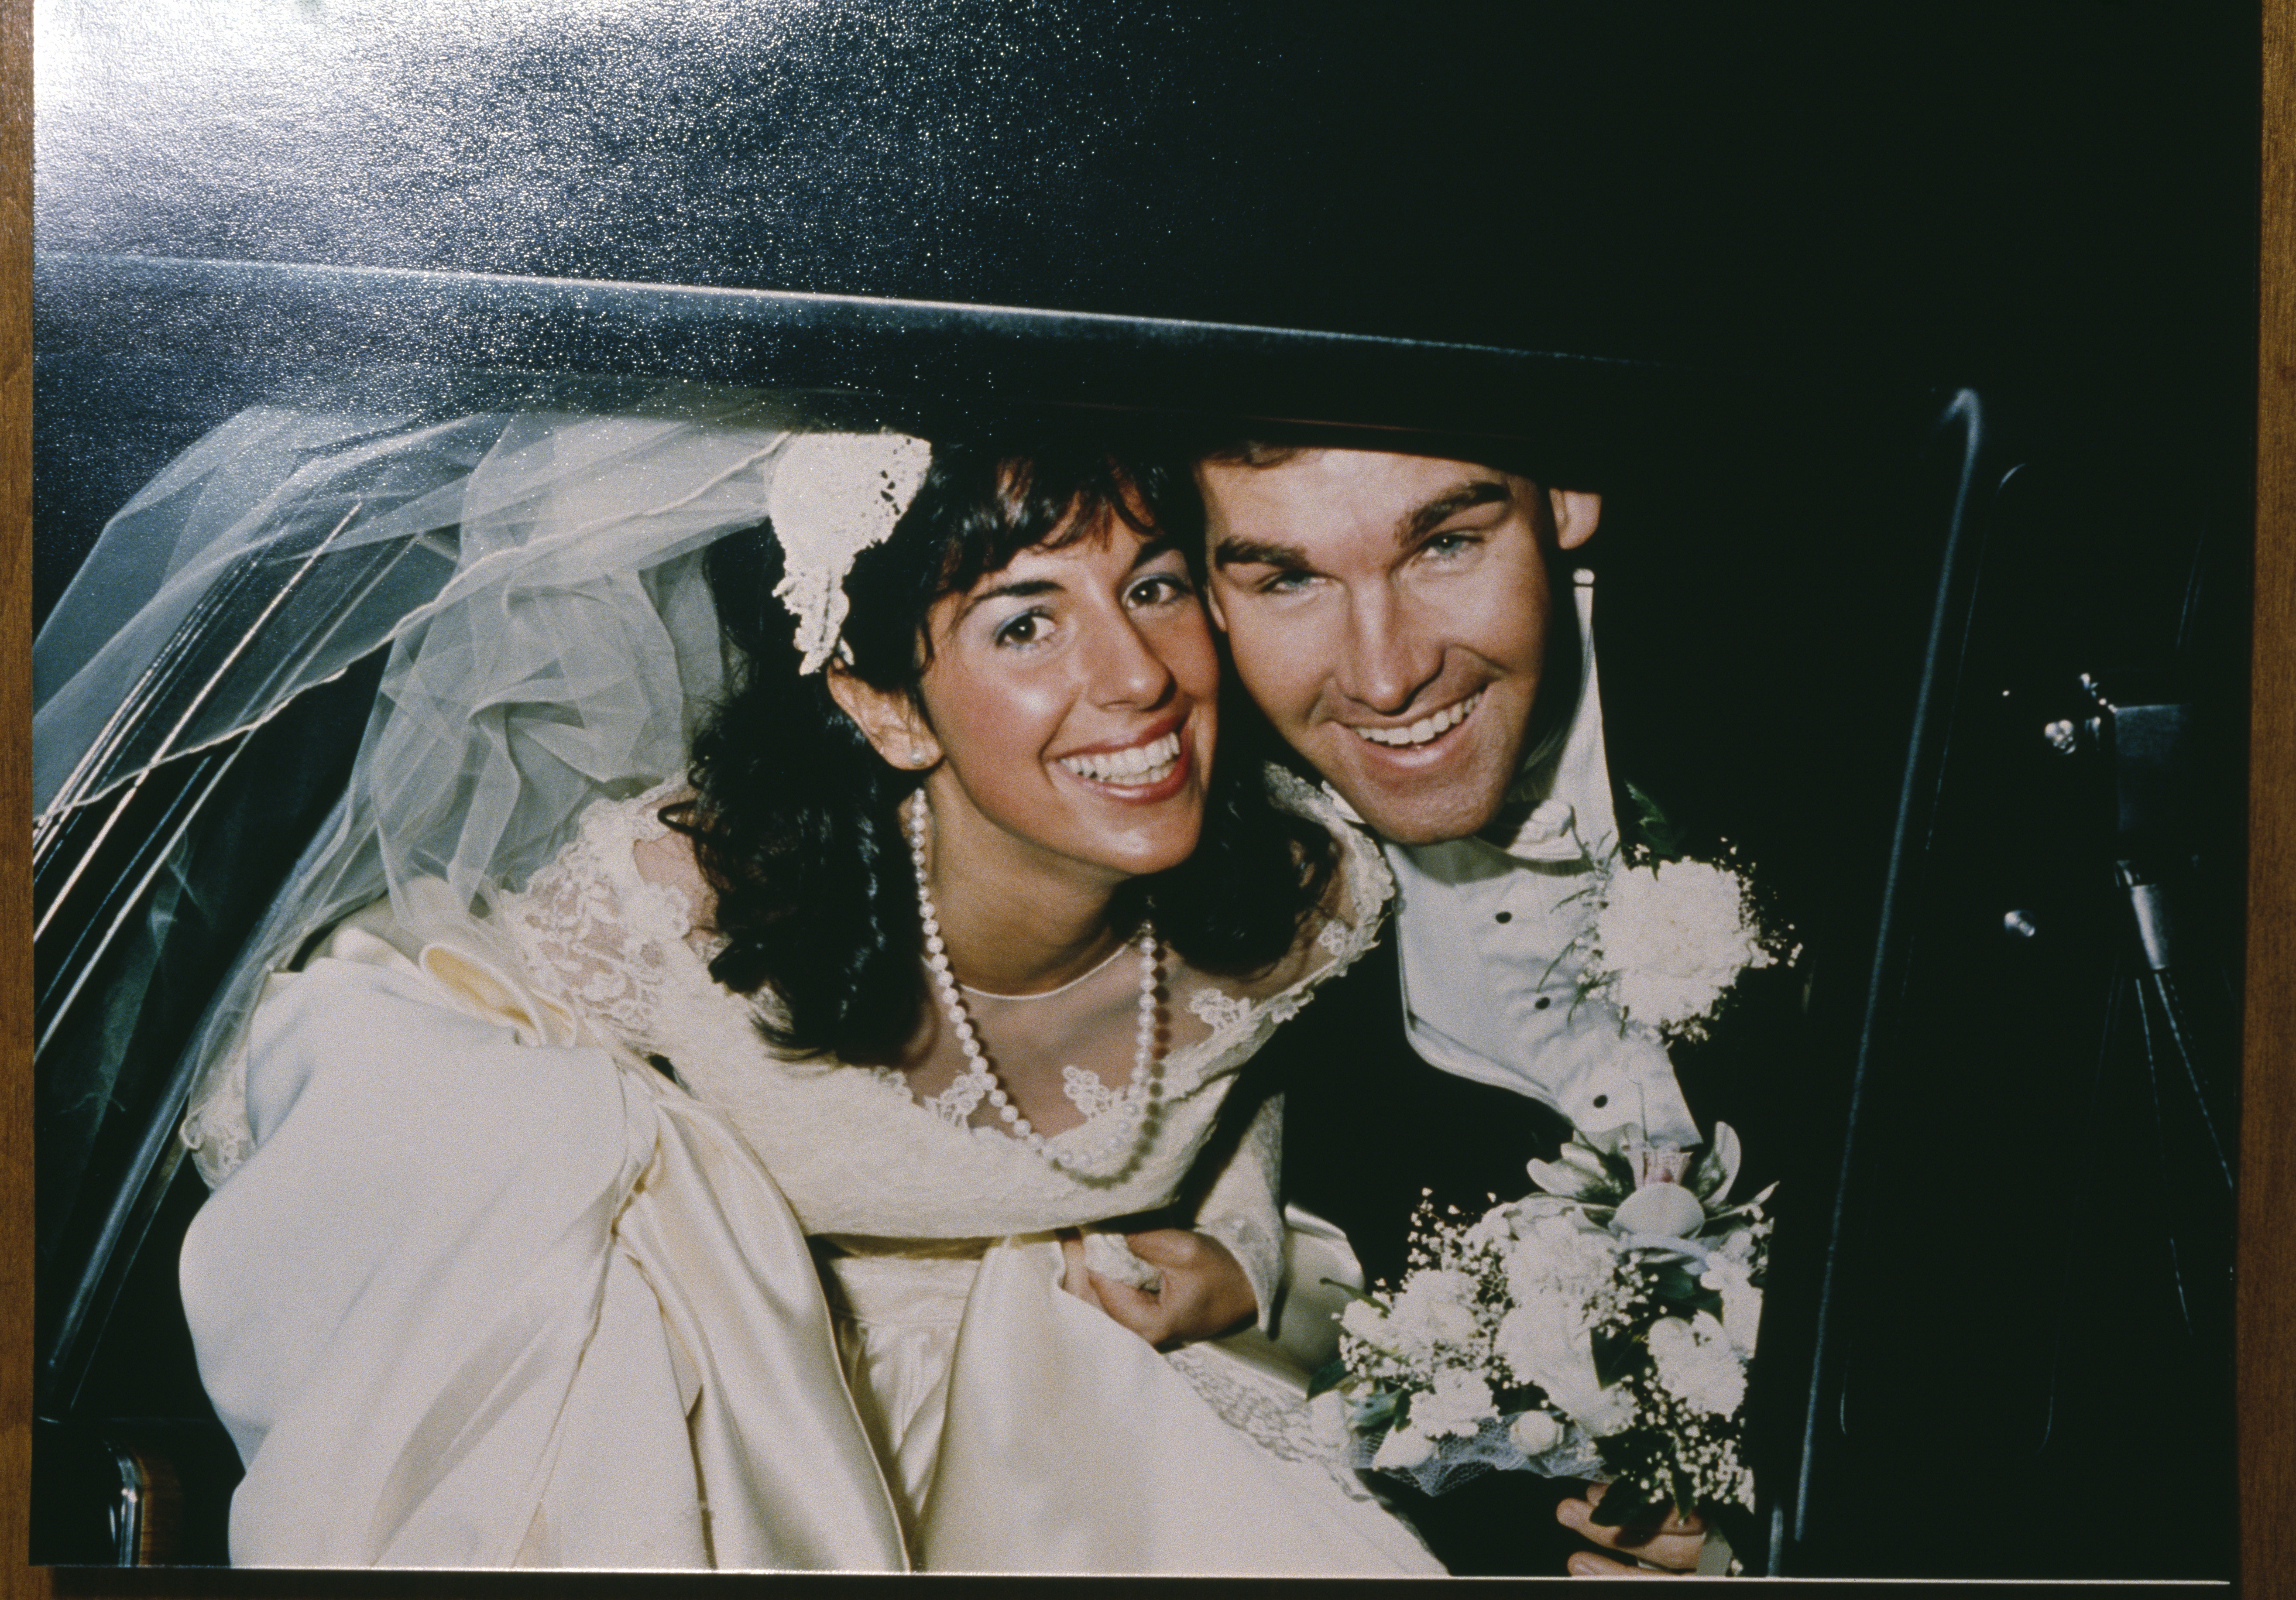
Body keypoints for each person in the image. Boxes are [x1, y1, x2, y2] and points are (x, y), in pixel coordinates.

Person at [169, 412, 1442, 1573]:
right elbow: (365, 1019)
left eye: (1153, 585)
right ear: (888, 708)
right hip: (737, 1453)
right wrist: (625, 1200)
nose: (1137, 677)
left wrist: (1237, 1246)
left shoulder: (1305, 889)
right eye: (1025, 621)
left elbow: (1232, 1084)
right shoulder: (698, 893)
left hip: (1067, 1429)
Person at [1193, 442, 1749, 1577]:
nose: (1385, 674)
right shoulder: (1199, 848)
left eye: (1445, 543)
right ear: (1208, 591)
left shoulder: (1818, 708)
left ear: (1573, 490)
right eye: (1287, 579)